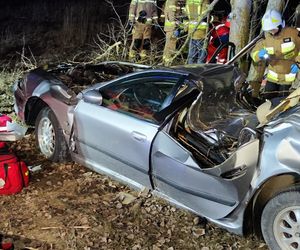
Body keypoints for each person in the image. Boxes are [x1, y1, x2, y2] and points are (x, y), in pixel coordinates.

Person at [250, 9, 300, 103]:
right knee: (268, 101)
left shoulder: (293, 33)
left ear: (281, 24)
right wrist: (258, 55)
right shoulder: (266, 38)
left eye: (273, 29)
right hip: (272, 77)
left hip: (289, 79)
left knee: (284, 104)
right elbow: (253, 53)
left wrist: (298, 63)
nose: (272, 32)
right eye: (269, 30)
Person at [162, 0, 186, 66]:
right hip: (172, 28)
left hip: (172, 27)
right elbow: (171, 15)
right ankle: (168, 62)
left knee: (168, 44)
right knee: (171, 45)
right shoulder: (172, 1)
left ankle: (165, 60)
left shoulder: (175, 2)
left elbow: (178, 15)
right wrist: (177, 26)